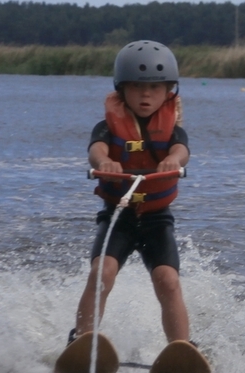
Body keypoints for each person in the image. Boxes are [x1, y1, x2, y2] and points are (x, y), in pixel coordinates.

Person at [70, 40, 192, 345]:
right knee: (102, 272)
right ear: (122, 90)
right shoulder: (107, 128)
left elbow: (181, 150)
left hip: (156, 218)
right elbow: (96, 150)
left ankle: (182, 347)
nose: (146, 94)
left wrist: (173, 160)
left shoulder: (174, 129)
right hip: (117, 215)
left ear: (169, 92)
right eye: (136, 87)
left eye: (154, 87)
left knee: (168, 280)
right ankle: (82, 340)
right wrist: (105, 161)